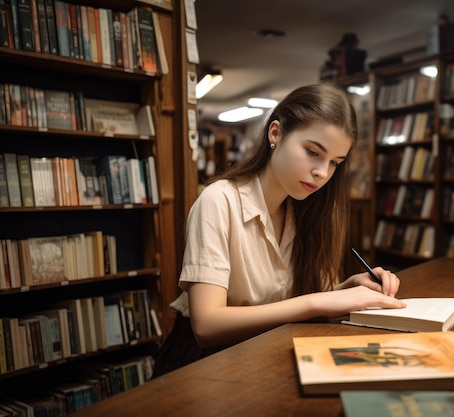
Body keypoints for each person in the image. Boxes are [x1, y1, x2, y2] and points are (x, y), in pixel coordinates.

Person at [152, 82, 404, 377]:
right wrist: (319, 301)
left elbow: (290, 306)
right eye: (312, 152)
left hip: (268, 355)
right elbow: (206, 326)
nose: (322, 173)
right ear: (276, 133)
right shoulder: (218, 201)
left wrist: (344, 291)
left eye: (335, 162)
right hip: (205, 367)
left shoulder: (308, 209)